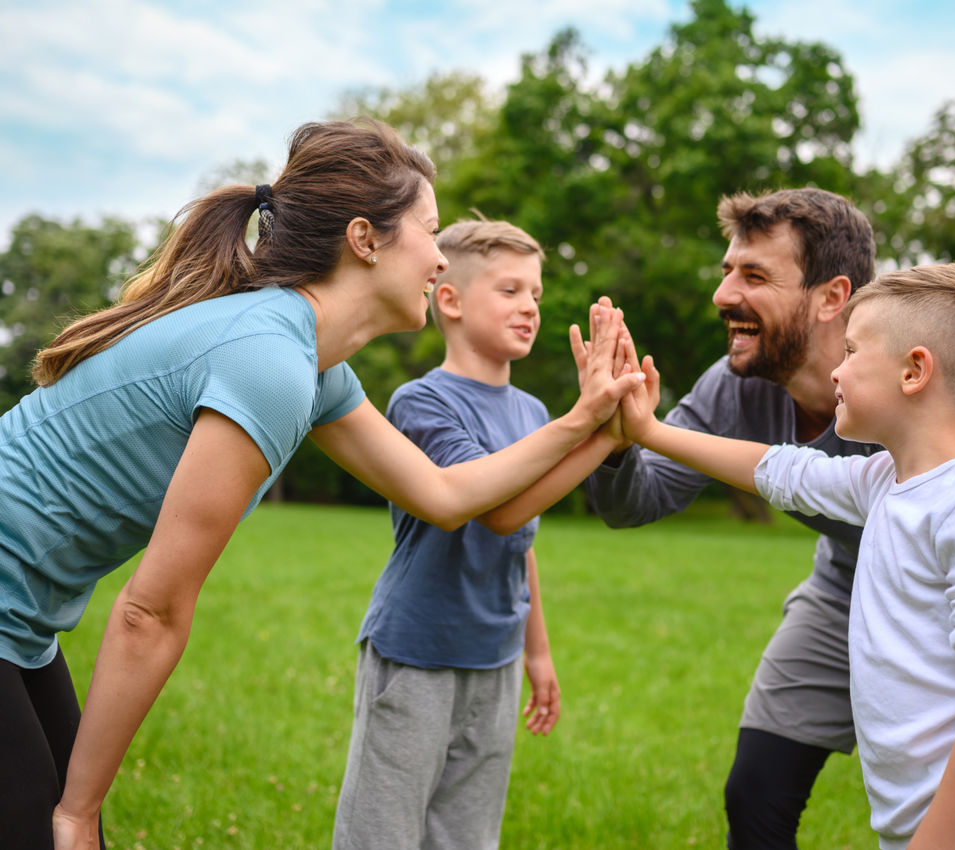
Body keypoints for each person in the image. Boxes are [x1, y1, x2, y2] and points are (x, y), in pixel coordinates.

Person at [0, 119, 644, 850]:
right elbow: (150, 613)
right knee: (54, 824)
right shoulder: (268, 362)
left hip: (23, 620)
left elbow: (442, 494)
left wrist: (587, 422)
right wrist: (79, 814)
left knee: (59, 818)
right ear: (365, 240)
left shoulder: (315, 370)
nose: (440, 258)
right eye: (430, 232)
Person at [583, 189, 955, 849]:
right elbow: (652, 498)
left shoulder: (938, 423)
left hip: (935, 602)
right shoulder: (734, 385)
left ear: (830, 297)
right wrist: (625, 436)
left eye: (754, 276)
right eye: (727, 270)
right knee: (755, 794)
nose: (723, 294)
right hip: (843, 589)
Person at [332, 217, 559, 850]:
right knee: (384, 832)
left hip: (497, 657)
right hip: (417, 651)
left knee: (466, 835)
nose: (529, 308)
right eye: (510, 290)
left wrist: (536, 652)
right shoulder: (421, 401)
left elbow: (522, 539)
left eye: (536, 295)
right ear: (450, 301)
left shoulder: (534, 415)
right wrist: (590, 424)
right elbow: (486, 506)